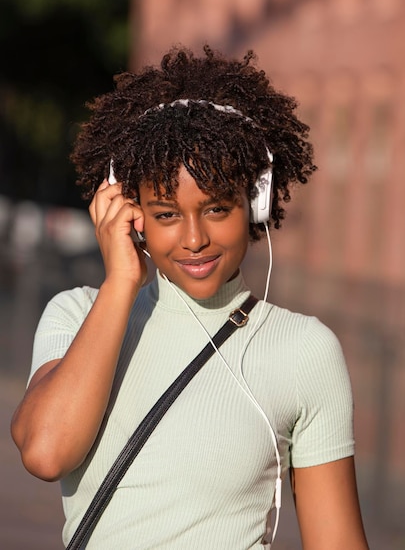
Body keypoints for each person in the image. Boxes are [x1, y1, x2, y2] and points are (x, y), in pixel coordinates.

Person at [11, 45, 369, 549]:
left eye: (218, 209)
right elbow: (45, 453)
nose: (194, 238)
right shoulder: (76, 314)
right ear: (129, 212)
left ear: (256, 204)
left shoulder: (304, 350)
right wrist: (119, 285)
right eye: (166, 214)